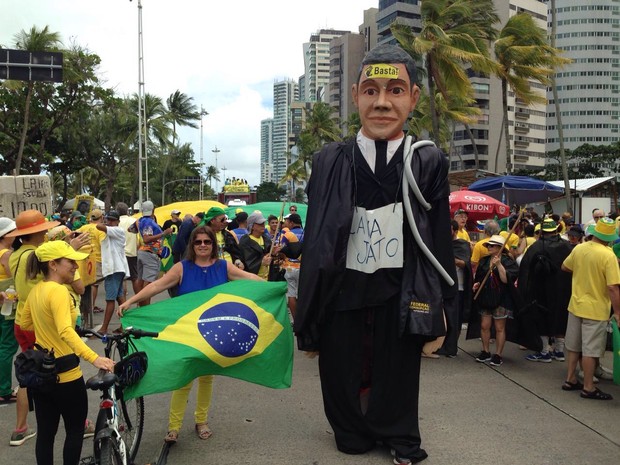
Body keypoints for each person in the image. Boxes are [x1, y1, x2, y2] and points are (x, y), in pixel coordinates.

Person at [295, 44, 456, 464]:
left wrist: (442, 309)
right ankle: (350, 430)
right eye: (371, 90)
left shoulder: (428, 160)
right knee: (338, 364)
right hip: (342, 288)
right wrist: (309, 315)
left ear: (414, 98)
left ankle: (400, 435)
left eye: (395, 90)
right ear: (355, 95)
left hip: (399, 288)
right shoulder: (329, 159)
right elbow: (316, 237)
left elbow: (438, 238)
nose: (382, 102)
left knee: (400, 368)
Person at [117, 226, 262, 443]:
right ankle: (173, 427)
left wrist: (273, 286)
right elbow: (156, 285)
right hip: (187, 331)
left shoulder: (224, 267)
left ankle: (201, 421)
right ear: (192, 245)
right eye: (198, 242)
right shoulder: (181, 268)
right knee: (183, 379)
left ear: (213, 244)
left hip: (214, 332)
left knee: (206, 377)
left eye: (207, 242)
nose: (203, 245)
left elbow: (249, 278)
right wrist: (130, 301)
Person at [20, 241, 115, 465]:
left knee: (46, 434)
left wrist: (46, 327)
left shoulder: (37, 290)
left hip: (41, 374)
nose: (75, 266)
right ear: (53, 264)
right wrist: (95, 358)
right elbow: (65, 331)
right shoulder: (60, 291)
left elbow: (25, 323)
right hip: (67, 375)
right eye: (70, 261)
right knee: (74, 431)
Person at [560, 218, 620, 400]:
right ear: (609, 236)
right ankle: (588, 387)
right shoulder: (608, 255)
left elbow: (564, 266)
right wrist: (618, 312)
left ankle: (570, 379)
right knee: (591, 350)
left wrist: (581, 272)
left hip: (576, 303)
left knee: (573, 345)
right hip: (596, 308)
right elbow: (612, 287)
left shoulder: (579, 248)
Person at [518, 218, 572, 363]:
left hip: (541, 291)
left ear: (541, 231)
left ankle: (544, 351)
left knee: (542, 318)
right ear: (556, 230)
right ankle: (559, 351)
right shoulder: (568, 246)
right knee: (561, 317)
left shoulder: (536, 247)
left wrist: (524, 291)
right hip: (564, 290)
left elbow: (525, 271)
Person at [472, 235, 519, 367]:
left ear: (500, 248)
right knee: (484, 325)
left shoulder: (508, 261)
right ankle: (485, 351)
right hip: (486, 296)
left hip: (501, 298)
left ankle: (498, 354)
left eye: (492, 246)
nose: (489, 247)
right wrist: (477, 284)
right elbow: (480, 276)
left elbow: (506, 280)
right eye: (489, 245)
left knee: (499, 327)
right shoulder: (484, 260)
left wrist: (498, 265)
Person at [130, 201, 172, 306]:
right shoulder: (150, 222)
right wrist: (163, 233)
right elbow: (146, 238)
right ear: (153, 210)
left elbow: (130, 229)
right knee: (149, 284)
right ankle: (145, 308)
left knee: (141, 280)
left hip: (142, 252)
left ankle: (141, 306)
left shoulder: (140, 221)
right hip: (150, 253)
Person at [96, 210, 129, 334]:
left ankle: (104, 328)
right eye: (108, 220)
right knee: (120, 299)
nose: (109, 222)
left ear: (118, 222)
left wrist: (101, 220)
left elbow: (99, 226)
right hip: (116, 268)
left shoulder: (118, 230)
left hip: (114, 269)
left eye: (112, 220)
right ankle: (126, 325)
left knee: (110, 299)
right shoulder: (113, 231)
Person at [0, 217, 18, 404]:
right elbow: (16, 276)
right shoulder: (6, 254)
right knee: (7, 346)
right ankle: (4, 389)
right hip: (8, 303)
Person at [77, 209, 106, 313]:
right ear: (101, 217)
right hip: (96, 259)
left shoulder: (84, 227)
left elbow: (75, 234)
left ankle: (83, 305)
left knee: (84, 283)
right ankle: (91, 306)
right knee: (94, 284)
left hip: (83, 257)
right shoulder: (100, 229)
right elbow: (104, 244)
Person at [280, 213, 304, 320]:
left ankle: (296, 321)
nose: (286, 224)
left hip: (289, 267)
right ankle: (304, 320)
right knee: (303, 294)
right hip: (304, 268)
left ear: (292, 223)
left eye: (287, 222)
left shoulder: (287, 234)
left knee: (291, 294)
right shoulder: (307, 233)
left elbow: (282, 250)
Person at [239, 212, 272, 279]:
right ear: (252, 226)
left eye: (263, 223)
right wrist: (262, 262)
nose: (263, 225)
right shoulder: (245, 241)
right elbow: (248, 262)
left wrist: (274, 253)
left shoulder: (266, 238)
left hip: (268, 278)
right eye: (260, 223)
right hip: (253, 279)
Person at [117, 202, 139, 295]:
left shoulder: (116, 222)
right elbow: (139, 238)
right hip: (132, 252)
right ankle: (139, 300)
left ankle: (123, 303)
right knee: (135, 278)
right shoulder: (134, 221)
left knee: (122, 279)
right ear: (127, 211)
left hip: (119, 254)